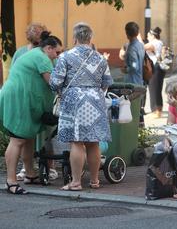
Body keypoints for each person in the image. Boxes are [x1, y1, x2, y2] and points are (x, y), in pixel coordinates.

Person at [49, 22, 113, 191]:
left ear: (74, 38)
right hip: (96, 100)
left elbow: (55, 82)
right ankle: (94, 181)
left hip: (74, 101)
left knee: (77, 142)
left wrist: (61, 90)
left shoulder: (65, 57)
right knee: (93, 142)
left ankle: (76, 182)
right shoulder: (100, 58)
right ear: (90, 38)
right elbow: (107, 82)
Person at [0, 31, 62, 194]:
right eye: (57, 52)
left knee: (28, 138)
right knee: (17, 141)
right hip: (18, 101)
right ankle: (11, 182)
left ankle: (30, 174)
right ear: (48, 48)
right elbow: (53, 84)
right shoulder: (42, 58)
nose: (57, 56)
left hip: (22, 100)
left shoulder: (36, 54)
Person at [144, 27, 165, 118]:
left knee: (154, 89)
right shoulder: (158, 42)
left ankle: (156, 110)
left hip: (156, 67)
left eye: (148, 35)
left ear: (153, 35)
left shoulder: (156, 43)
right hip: (157, 67)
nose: (147, 37)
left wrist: (138, 39)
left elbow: (143, 47)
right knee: (156, 88)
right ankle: (157, 109)